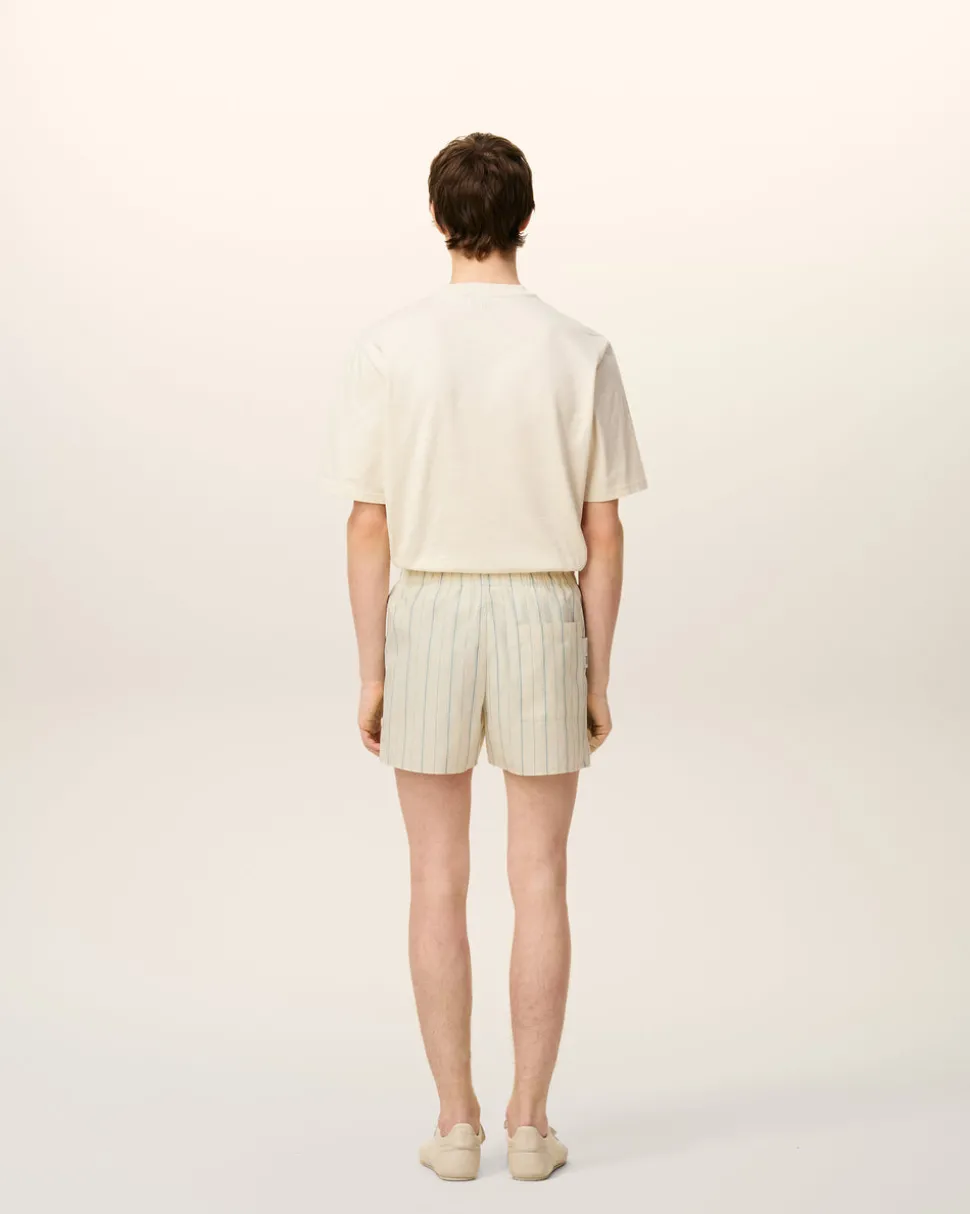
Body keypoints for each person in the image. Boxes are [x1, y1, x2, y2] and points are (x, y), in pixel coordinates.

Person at [322, 132, 647, 1182]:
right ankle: (531, 1125)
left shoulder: (390, 346)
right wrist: (596, 672)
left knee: (435, 877)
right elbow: (603, 530)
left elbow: (367, 523)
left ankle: (456, 1123)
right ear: (526, 217)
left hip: (430, 609)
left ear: (437, 217)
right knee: (540, 876)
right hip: (542, 609)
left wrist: (372, 669)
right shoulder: (579, 348)